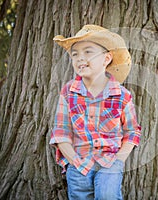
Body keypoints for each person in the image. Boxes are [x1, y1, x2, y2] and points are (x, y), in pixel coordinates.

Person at [50, 24, 141, 200]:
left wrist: (118, 160)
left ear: (106, 58)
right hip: (79, 162)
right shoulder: (69, 92)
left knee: (107, 194)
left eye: (88, 52)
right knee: (79, 195)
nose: (79, 58)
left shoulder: (122, 95)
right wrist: (74, 161)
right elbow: (61, 132)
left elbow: (131, 131)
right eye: (75, 54)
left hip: (110, 162)